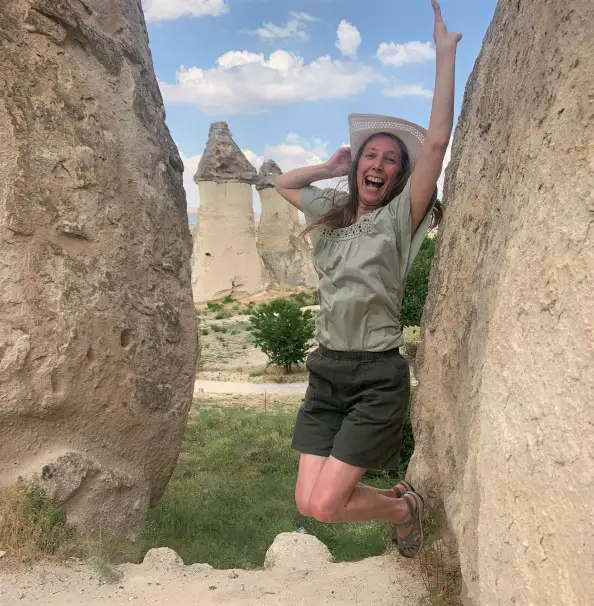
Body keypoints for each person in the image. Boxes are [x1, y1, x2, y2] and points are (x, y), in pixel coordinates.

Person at [274, 0, 461, 558]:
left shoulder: (398, 220)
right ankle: (398, 501)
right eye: (368, 156)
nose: (377, 164)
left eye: (388, 161)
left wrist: (443, 55)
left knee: (329, 505)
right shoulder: (331, 210)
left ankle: (403, 508)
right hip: (325, 369)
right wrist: (330, 168)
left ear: (399, 176)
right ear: (357, 166)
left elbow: (435, 142)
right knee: (307, 502)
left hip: (376, 373)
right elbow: (284, 183)